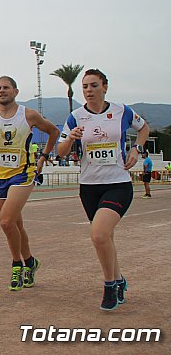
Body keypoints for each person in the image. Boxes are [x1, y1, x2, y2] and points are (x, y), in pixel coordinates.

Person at [57, 69, 149, 311]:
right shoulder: (75, 117)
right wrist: (70, 139)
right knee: (105, 237)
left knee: (98, 235)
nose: (89, 90)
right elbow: (60, 152)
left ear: (105, 87)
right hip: (89, 187)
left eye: (94, 85)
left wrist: (136, 149)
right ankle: (119, 280)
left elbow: (144, 128)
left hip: (118, 183)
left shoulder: (122, 111)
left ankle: (109, 285)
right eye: (85, 86)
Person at [0, 76, 60, 292]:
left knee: (5, 221)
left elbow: (54, 132)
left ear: (15, 91)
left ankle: (17, 265)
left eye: (6, 88)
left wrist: (44, 157)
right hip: (0, 176)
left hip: (23, 174)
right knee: (15, 225)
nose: (2, 91)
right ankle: (31, 262)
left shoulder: (28, 115)